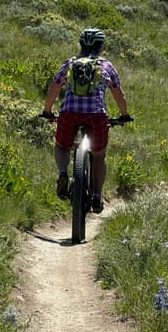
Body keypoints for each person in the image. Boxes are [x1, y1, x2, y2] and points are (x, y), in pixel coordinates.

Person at [41, 27, 130, 213]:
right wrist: (124, 115)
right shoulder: (106, 65)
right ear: (100, 46)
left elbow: (53, 89)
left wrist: (47, 111)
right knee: (99, 155)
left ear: (80, 44)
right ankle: (97, 195)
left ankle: (63, 173)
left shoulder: (70, 63)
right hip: (96, 114)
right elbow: (118, 94)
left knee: (62, 146)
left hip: (69, 112)